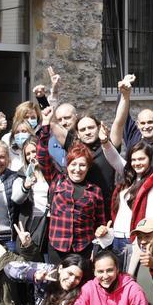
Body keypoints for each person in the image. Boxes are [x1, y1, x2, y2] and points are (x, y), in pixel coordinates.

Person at [37, 108, 109, 261]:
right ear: (68, 165)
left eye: (82, 165)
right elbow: (42, 156)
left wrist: (100, 235)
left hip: (83, 248)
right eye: (73, 165)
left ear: (88, 167)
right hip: (57, 247)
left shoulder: (95, 191)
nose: (77, 169)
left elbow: (100, 222)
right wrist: (45, 124)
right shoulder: (57, 181)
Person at [106, 141, 153, 259]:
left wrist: (139, 245)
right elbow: (114, 158)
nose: (137, 163)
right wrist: (105, 142)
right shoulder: (130, 179)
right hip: (116, 238)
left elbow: (149, 221)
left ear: (150, 160)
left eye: (141, 159)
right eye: (134, 160)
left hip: (133, 241)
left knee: (130, 276)